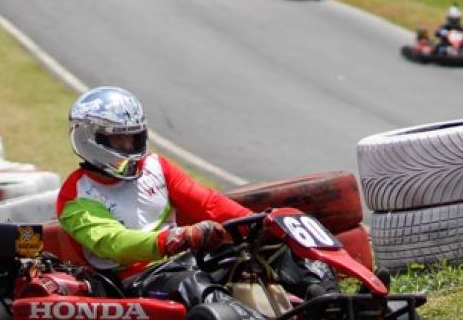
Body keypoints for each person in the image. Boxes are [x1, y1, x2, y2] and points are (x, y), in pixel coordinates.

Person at [56, 86, 338, 308]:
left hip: (186, 260)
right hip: (136, 280)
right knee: (193, 283)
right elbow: (113, 244)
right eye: (118, 141)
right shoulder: (77, 195)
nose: (129, 146)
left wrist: (258, 223)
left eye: (133, 138)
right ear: (89, 140)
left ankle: (330, 300)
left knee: (274, 248)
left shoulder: (156, 167)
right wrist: (175, 238)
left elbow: (208, 203)